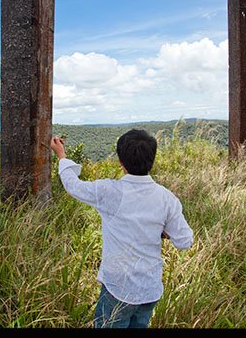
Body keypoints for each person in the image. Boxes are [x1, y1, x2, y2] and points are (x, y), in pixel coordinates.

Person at [49, 129, 194, 328]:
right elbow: (185, 241)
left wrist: (61, 155)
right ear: (152, 159)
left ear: (121, 162)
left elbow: (73, 185)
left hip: (118, 288)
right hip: (149, 289)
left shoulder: (110, 192)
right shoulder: (167, 198)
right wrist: (164, 232)